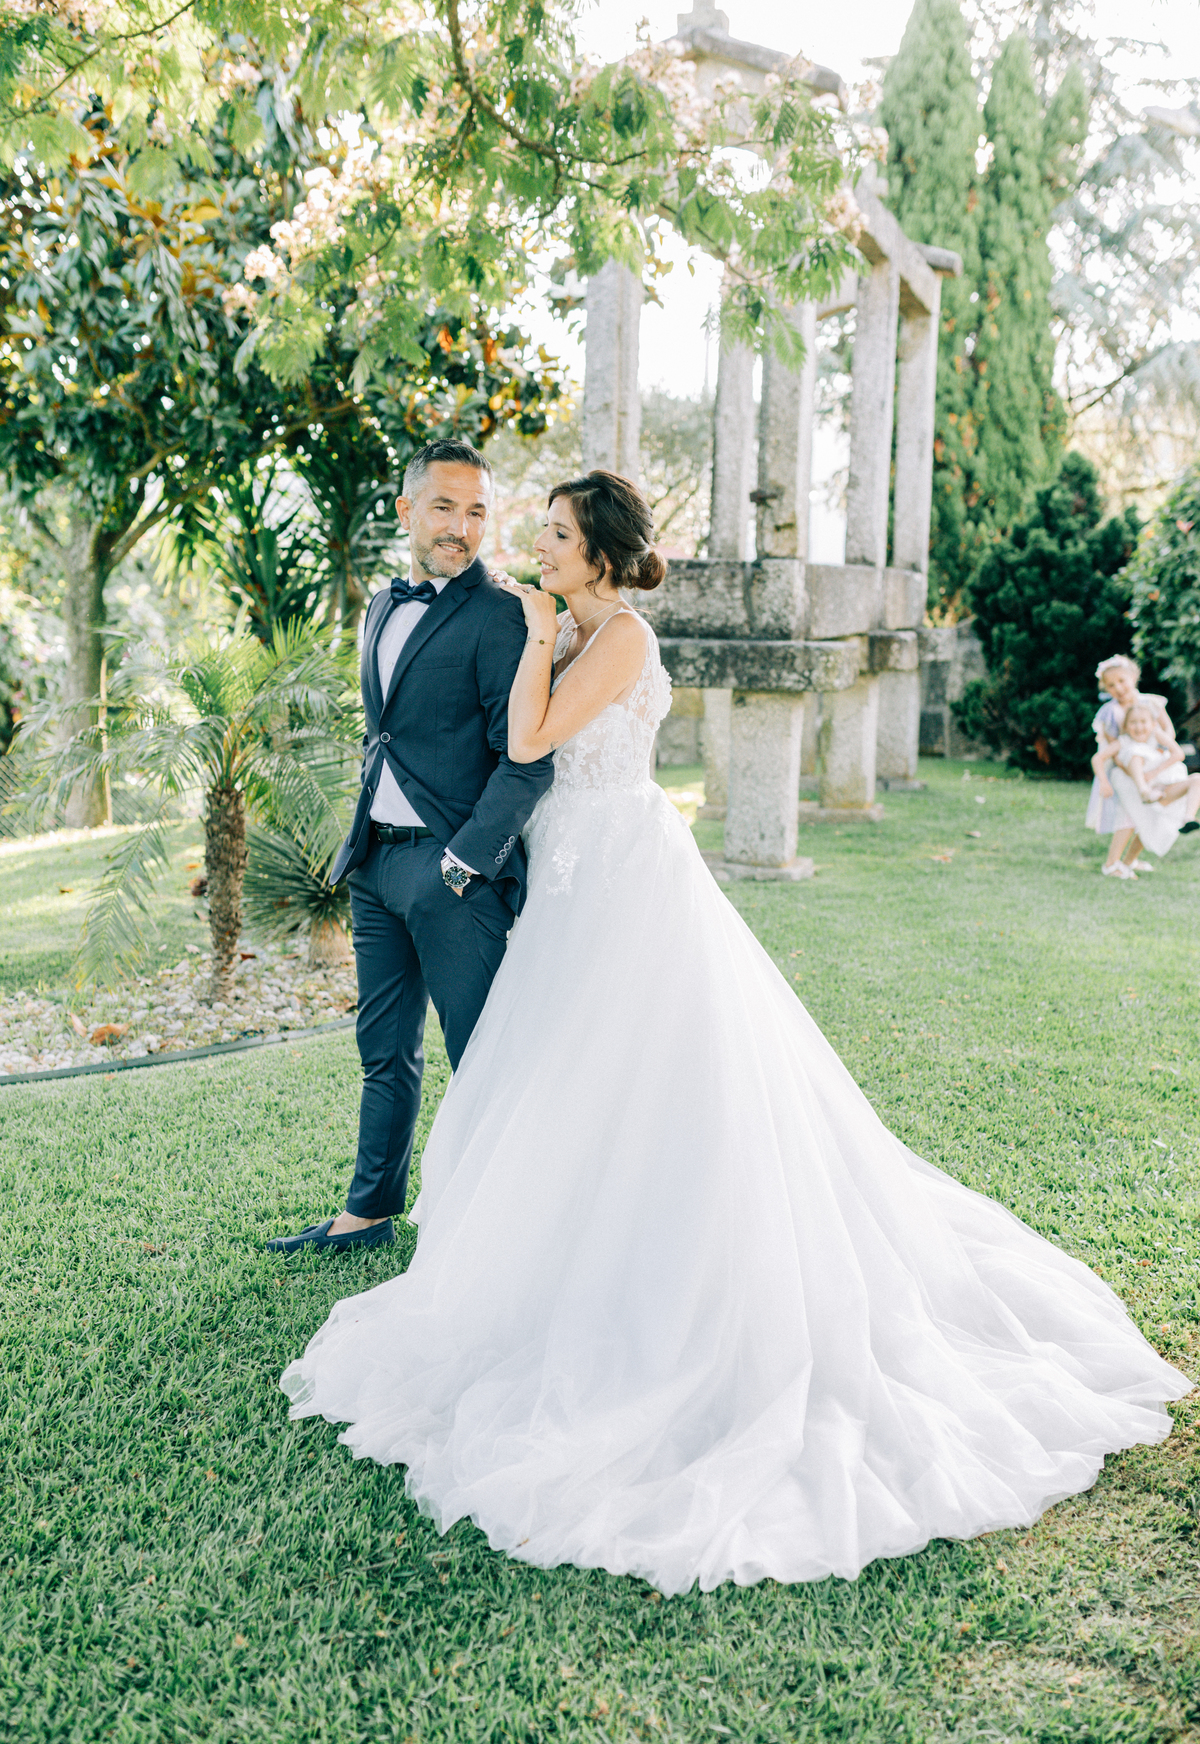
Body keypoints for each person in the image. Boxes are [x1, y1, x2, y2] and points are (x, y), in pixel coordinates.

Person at [281, 470, 1189, 1594]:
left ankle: (671, 1290)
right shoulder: (571, 625)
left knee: (647, 1072)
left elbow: (529, 738)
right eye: (541, 531)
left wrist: (535, 632)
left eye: (556, 534)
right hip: (564, 876)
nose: (536, 544)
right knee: (563, 1082)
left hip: (619, 876)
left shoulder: (614, 636)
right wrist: (542, 630)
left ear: (599, 552)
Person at [266, 440, 554, 1255]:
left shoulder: (501, 615)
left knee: (482, 1058)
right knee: (383, 1053)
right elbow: (385, 733)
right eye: (444, 507)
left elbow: (527, 759)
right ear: (406, 511)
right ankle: (366, 1213)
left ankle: (512, 1232)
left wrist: (463, 862)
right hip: (374, 864)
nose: (461, 527)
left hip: (451, 874)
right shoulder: (380, 608)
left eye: (476, 511)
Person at [1087, 655, 1173, 880]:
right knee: (1127, 816)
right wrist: (1136, 776)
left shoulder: (1151, 703)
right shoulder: (1110, 712)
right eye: (1111, 685)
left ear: (1134, 677)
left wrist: (1160, 756)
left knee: (1151, 813)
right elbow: (1114, 749)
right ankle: (1111, 863)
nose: (1118, 688)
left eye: (1121, 681)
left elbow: (1168, 731)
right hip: (1126, 771)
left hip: (1153, 765)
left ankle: (1130, 860)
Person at [1093, 701, 1200, 860]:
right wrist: (1103, 782)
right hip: (1141, 791)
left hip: (1165, 788)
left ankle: (1188, 818)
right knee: (1136, 752)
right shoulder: (1124, 742)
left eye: (1143, 722)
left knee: (1197, 778)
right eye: (1133, 722)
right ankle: (1144, 791)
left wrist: (1155, 772)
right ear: (1126, 726)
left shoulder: (1156, 735)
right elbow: (1097, 758)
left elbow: (1179, 753)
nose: (1139, 727)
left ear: (1153, 724)